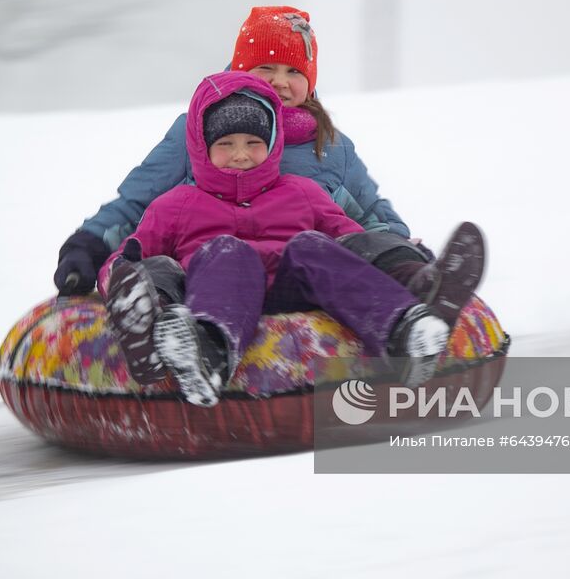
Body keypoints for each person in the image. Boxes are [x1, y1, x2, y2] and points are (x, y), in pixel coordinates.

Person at [98, 70, 486, 406]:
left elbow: (348, 235)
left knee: (315, 246)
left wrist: (398, 256)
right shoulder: (177, 203)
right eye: (225, 144)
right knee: (221, 252)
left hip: (291, 288)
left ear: (271, 144)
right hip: (216, 294)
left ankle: (406, 327)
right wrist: (116, 280)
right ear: (203, 148)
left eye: (253, 143)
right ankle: (197, 351)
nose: (241, 155)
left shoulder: (300, 190)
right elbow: (135, 252)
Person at [54, 6, 464, 322]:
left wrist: (397, 248)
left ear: (311, 80)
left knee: (361, 245)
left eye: (293, 71)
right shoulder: (198, 130)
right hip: (218, 276)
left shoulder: (329, 146)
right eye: (265, 67)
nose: (280, 81)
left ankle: (419, 286)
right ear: (240, 69)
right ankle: (166, 322)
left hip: (306, 280)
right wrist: (88, 247)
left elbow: (368, 216)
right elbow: (139, 204)